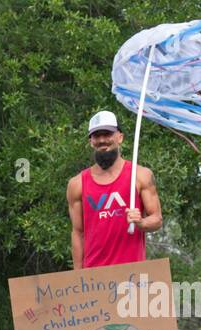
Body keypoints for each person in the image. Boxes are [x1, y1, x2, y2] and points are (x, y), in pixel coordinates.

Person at [68, 110, 163, 269]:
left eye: (107, 134)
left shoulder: (140, 175)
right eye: (96, 136)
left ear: (120, 137)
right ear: (91, 141)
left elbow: (157, 219)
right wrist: (78, 276)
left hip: (132, 275)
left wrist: (141, 223)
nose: (102, 140)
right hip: (95, 281)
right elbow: (78, 233)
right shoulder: (77, 184)